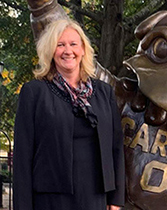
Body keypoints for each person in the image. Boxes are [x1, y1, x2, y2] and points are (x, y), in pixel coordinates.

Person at [13, 19, 125, 210]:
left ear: (83, 49)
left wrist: (116, 199)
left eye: (73, 44)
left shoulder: (104, 92)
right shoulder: (34, 92)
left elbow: (115, 148)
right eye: (60, 45)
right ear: (51, 51)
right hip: (50, 200)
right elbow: (23, 157)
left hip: (95, 197)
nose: (68, 51)